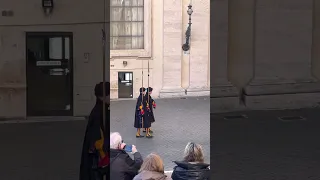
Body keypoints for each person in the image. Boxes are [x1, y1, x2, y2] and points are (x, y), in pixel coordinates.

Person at [80, 82, 110, 180]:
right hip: (98, 158)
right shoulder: (100, 112)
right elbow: (96, 139)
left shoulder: (101, 109)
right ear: (105, 96)